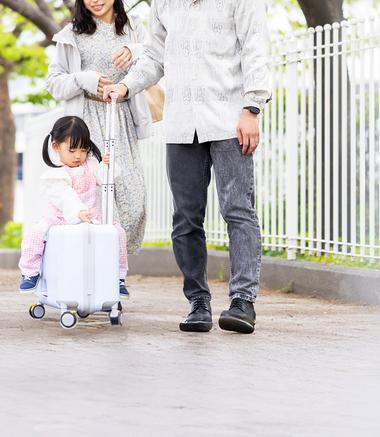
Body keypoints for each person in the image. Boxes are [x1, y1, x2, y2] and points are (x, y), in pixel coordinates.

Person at [103, 0, 272, 334]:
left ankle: (242, 301)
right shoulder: (165, 3)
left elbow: (256, 49)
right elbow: (153, 56)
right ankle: (198, 301)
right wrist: (126, 86)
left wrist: (252, 108)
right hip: (181, 124)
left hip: (229, 120)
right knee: (185, 218)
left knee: (238, 210)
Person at [45, 0, 152, 260]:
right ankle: (107, 273)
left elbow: (155, 58)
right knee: (94, 195)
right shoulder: (71, 34)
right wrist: (83, 79)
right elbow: (53, 82)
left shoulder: (133, 28)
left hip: (121, 116)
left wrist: (133, 50)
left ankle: (117, 264)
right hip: (86, 123)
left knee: (132, 197)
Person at [18, 116, 129, 296]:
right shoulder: (56, 174)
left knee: (118, 233)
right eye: (72, 149)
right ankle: (30, 272)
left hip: (93, 217)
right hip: (60, 219)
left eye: (83, 149)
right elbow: (64, 196)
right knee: (35, 234)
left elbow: (105, 179)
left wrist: (107, 166)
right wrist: (78, 212)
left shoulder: (91, 165)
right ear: (56, 146)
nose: (78, 155)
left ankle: (117, 277)